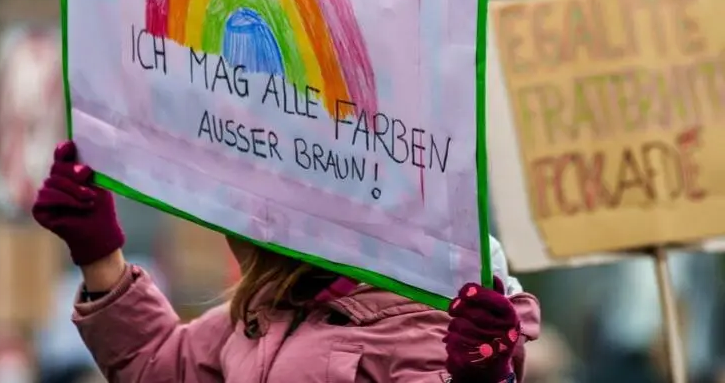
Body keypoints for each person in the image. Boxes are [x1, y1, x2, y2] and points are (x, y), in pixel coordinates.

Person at [32, 141, 541, 382]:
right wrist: (101, 260)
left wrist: (482, 381)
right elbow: (160, 368)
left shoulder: (421, 317)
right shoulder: (266, 309)